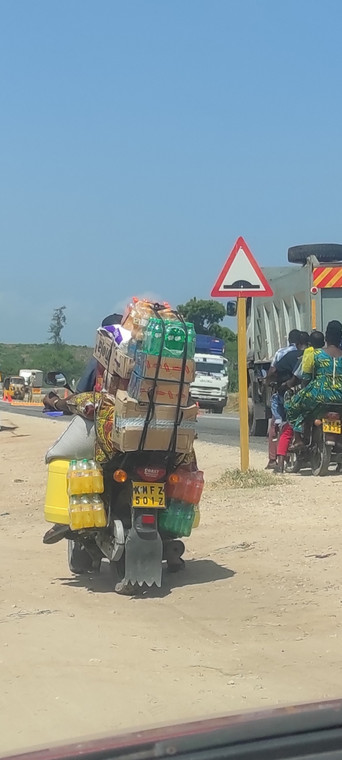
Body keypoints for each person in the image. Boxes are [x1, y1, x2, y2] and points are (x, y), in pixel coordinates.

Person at [286, 320, 342, 448]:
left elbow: (305, 378)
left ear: (326, 337)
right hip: (340, 396)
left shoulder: (315, 354)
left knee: (292, 405)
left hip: (319, 395)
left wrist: (303, 391)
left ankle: (299, 439)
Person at [265, 329, 302, 469]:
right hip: (298, 393)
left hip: (284, 392)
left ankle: (273, 459)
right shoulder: (307, 354)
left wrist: (267, 382)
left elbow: (273, 370)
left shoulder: (281, 353)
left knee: (277, 423)